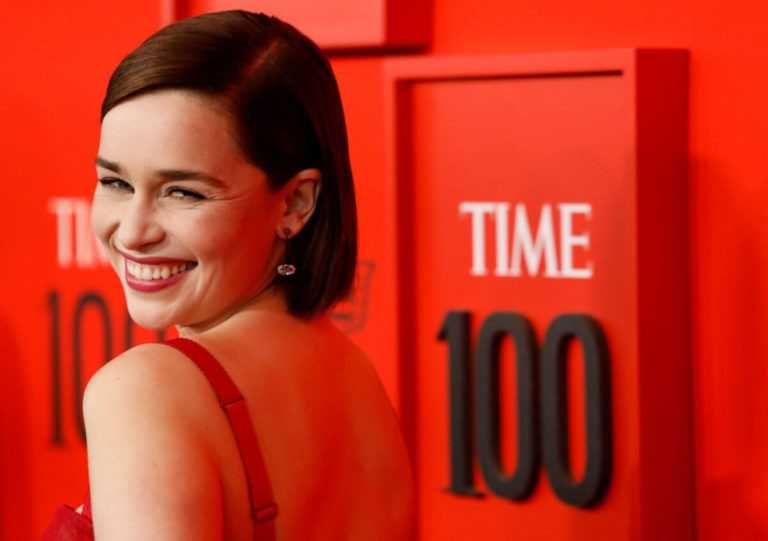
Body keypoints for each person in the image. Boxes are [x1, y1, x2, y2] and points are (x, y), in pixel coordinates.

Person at [42, 9, 415, 540]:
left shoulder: (147, 390)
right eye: (116, 183)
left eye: (183, 192)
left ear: (296, 203)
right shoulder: (356, 380)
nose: (133, 232)